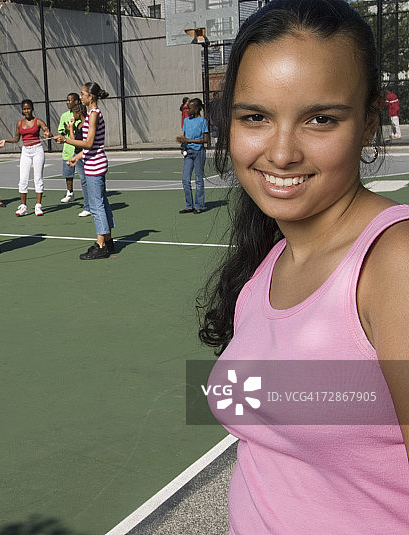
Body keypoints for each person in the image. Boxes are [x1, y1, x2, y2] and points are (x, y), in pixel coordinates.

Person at [198, 1, 409, 532]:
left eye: (320, 119)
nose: (282, 152)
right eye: (255, 117)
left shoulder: (394, 265)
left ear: (369, 125)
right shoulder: (269, 263)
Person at [55, 82, 114, 259]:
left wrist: (66, 140)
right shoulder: (90, 115)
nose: (80, 97)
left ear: (91, 97)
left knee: (96, 206)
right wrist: (78, 157)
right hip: (91, 162)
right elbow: (91, 146)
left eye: (82, 94)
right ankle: (107, 240)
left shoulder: (94, 114)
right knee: (101, 202)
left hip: (95, 165)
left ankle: (101, 245)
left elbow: (89, 143)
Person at [0, 100, 52, 216]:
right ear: (22, 110)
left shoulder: (38, 122)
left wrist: (47, 134)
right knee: (23, 179)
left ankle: (38, 205)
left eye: (28, 108)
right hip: (26, 151)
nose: (26, 111)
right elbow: (16, 139)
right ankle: (23, 206)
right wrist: (5, 140)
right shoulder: (19, 123)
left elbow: (47, 132)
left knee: (38, 178)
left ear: (32, 109)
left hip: (37, 150)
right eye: (24, 109)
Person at [176, 98, 209, 214]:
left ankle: (199, 205)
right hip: (188, 152)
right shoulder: (186, 121)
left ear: (196, 109)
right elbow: (185, 136)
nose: (187, 110)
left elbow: (206, 139)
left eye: (189, 108)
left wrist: (188, 140)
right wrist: (182, 143)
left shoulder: (202, 121)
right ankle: (189, 206)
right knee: (185, 179)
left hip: (199, 152)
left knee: (199, 179)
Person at [65, 103, 92, 218]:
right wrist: (71, 127)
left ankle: (88, 207)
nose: (73, 115)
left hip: (85, 155)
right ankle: (88, 206)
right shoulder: (78, 124)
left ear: (79, 113)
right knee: (84, 180)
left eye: (74, 113)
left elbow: (87, 142)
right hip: (78, 154)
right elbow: (73, 140)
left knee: (88, 181)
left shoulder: (87, 124)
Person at [57, 92, 80, 204]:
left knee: (84, 175)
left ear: (76, 101)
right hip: (68, 149)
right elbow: (61, 130)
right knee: (68, 174)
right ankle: (70, 193)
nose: (67, 102)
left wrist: (73, 126)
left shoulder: (81, 114)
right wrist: (66, 129)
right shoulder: (64, 116)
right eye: (67, 100)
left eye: (69, 100)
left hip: (79, 149)